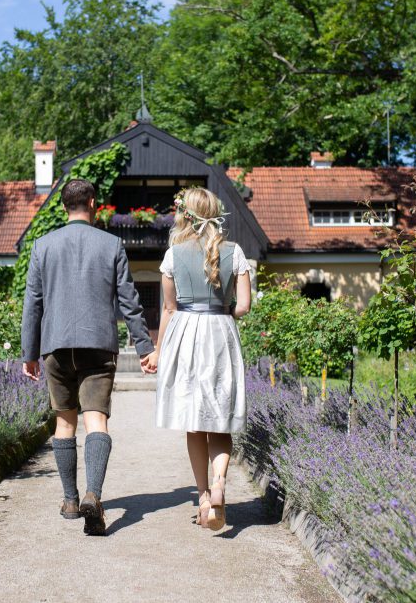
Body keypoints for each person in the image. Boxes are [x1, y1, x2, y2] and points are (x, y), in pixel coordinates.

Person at [21, 178, 156, 537]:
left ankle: (69, 500)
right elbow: (129, 301)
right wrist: (145, 348)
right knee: (96, 421)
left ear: (63, 206)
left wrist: (28, 353)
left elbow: (32, 302)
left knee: (64, 423)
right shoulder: (112, 245)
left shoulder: (43, 246)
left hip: (56, 345)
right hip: (98, 344)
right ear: (93, 203)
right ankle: (94, 496)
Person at [145, 187, 251, 531]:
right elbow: (245, 306)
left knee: (195, 420)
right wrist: (225, 311)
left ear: (184, 215)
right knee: (219, 418)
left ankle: (204, 496)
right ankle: (220, 481)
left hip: (187, 334)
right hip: (221, 332)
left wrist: (159, 350)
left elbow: (169, 308)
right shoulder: (235, 252)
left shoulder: (173, 255)